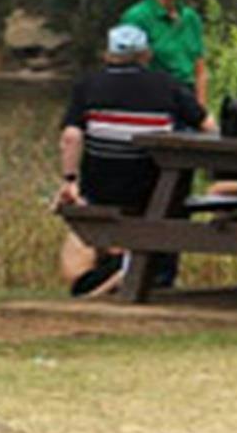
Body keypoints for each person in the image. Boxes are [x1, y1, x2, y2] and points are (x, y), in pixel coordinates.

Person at [52, 23, 213, 296]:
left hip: (101, 190)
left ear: (108, 55)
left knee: (77, 250)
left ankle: (119, 269)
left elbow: (71, 136)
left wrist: (70, 180)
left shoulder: (88, 86)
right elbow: (208, 127)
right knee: (119, 230)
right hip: (154, 192)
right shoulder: (167, 86)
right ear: (146, 55)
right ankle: (130, 267)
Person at [119, 0, 208, 106]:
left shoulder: (190, 17)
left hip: (187, 100)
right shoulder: (135, 18)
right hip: (154, 99)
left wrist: (200, 109)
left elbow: (199, 69)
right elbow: (125, 70)